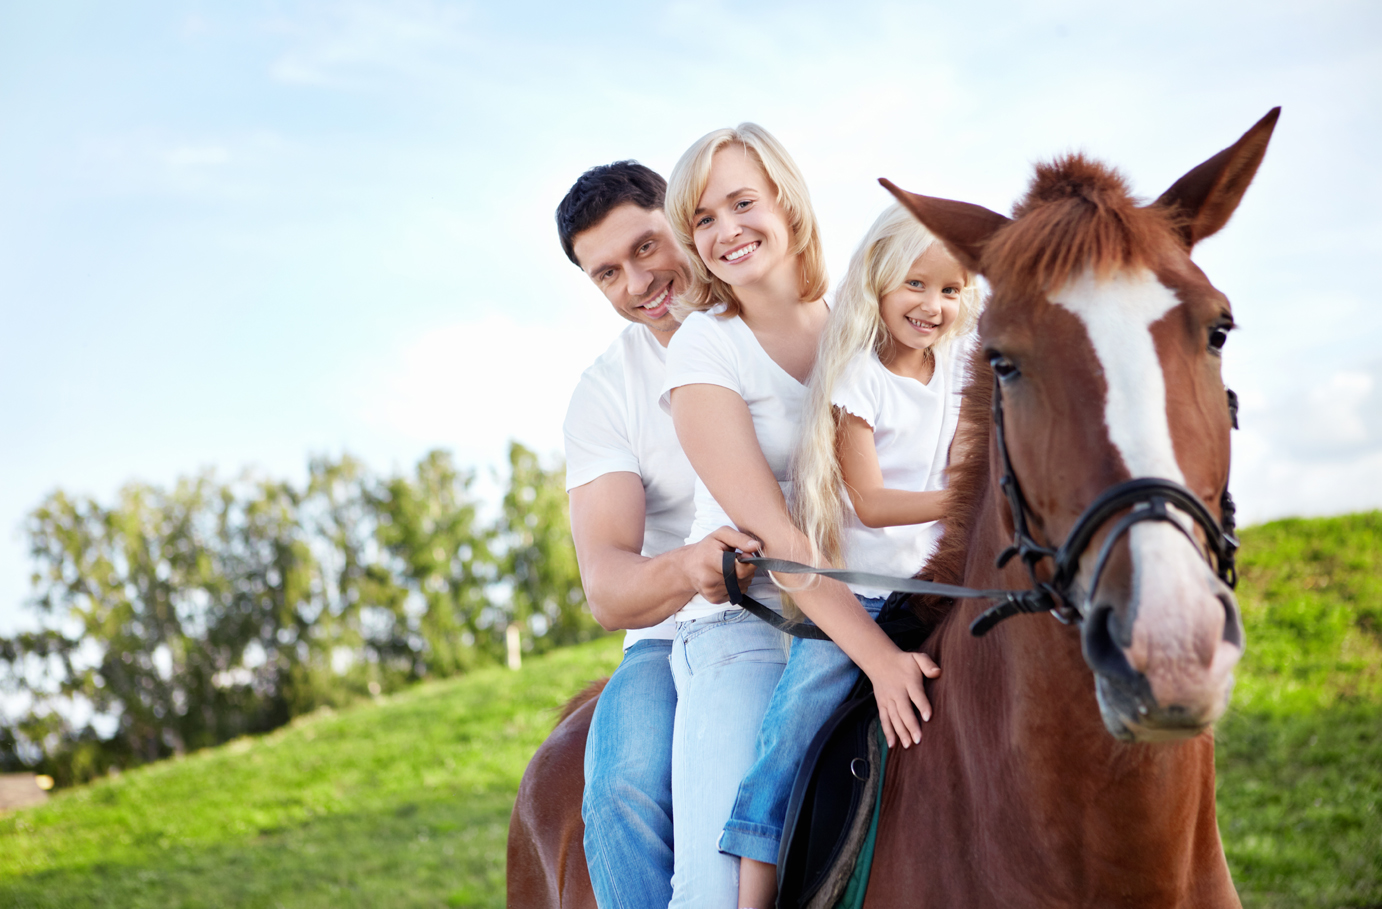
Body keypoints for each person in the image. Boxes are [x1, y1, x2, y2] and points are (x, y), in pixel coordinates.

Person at [658, 124, 942, 908]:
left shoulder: (863, 324)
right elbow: (781, 540)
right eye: (702, 220)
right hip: (751, 625)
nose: (725, 231)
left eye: (741, 202)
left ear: (786, 202)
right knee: (716, 897)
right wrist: (882, 658)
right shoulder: (703, 351)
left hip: (891, 588)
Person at [556, 160, 760, 909]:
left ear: (678, 217)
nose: (637, 283)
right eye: (607, 273)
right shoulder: (606, 392)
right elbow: (608, 585)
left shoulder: (770, 312)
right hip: (670, 632)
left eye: (645, 247)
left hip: (814, 594)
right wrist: (693, 566)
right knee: (621, 783)